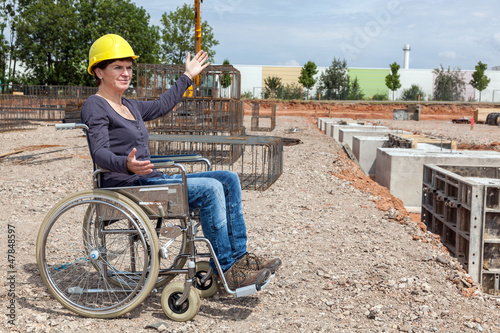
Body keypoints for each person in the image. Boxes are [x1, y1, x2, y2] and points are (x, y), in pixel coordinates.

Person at [81, 34, 281, 291]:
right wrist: (126, 164)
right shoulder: (96, 105)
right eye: (117, 67)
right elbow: (98, 153)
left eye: (129, 67)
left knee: (228, 179)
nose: (126, 73)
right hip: (128, 187)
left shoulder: (128, 105)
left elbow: (162, 105)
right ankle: (228, 268)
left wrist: (187, 75)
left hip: (149, 180)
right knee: (210, 190)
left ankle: (240, 260)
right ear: (98, 71)